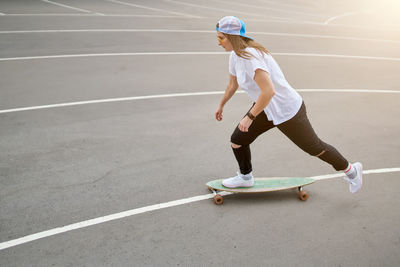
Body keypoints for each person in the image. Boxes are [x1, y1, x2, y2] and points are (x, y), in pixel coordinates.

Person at [214, 16, 362, 193]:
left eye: (221, 38)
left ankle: (351, 171)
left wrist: (249, 117)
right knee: (238, 140)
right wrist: (222, 104)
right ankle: (245, 177)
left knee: (314, 148)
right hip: (266, 108)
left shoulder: (252, 58)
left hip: (288, 110)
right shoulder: (235, 56)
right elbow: (232, 84)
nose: (218, 43)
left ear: (233, 37)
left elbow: (269, 91)